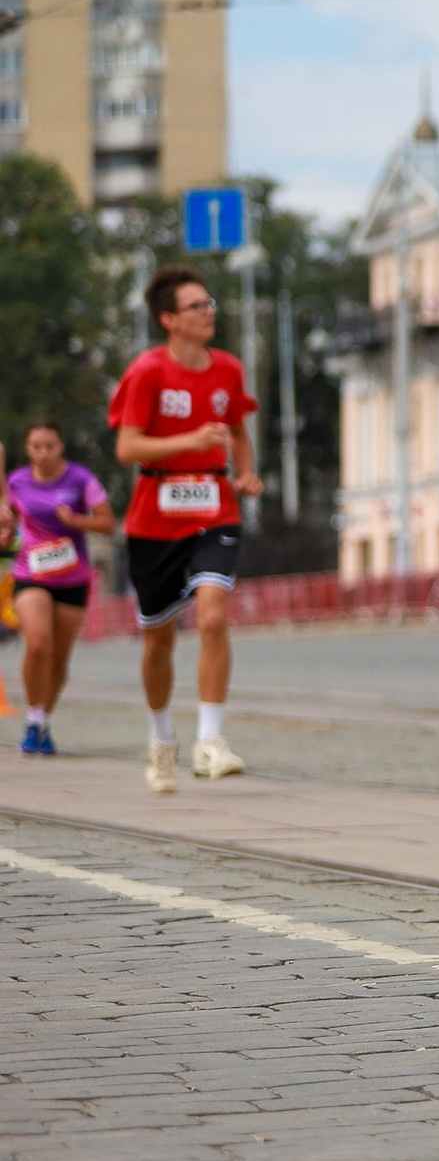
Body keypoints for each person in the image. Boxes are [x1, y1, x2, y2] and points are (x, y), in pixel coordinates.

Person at [110, 267, 264, 793]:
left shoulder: (228, 370)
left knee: (214, 617)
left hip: (214, 510)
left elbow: (239, 431)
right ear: (169, 319)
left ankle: (210, 740)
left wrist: (244, 472)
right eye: (197, 305)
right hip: (155, 515)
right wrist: (191, 438)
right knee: (158, 642)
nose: (209, 312)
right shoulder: (148, 372)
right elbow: (127, 448)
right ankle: (160, 738)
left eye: (210, 302)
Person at [9, 421, 116, 755]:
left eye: (50, 446)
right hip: (31, 574)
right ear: (27, 449)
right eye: (36, 447)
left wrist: (77, 521)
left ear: (61, 447)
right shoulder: (16, 482)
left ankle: (43, 721)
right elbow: (8, 520)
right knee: (38, 643)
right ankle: (31, 717)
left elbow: (108, 523)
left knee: (58, 659)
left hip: (72, 579)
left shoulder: (80, 480)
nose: (43, 453)